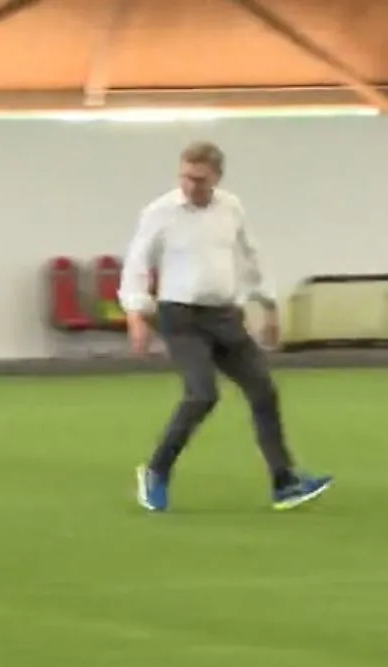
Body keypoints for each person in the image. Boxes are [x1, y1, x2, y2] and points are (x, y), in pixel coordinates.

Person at [118, 141, 332, 513]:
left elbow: (252, 255)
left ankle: (284, 481)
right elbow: (137, 262)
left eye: (200, 179)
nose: (191, 185)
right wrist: (136, 315)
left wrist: (269, 307)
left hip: (225, 316)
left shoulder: (231, 208)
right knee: (202, 395)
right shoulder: (159, 213)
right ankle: (156, 472)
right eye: (186, 177)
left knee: (263, 391)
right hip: (180, 317)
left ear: (217, 177)